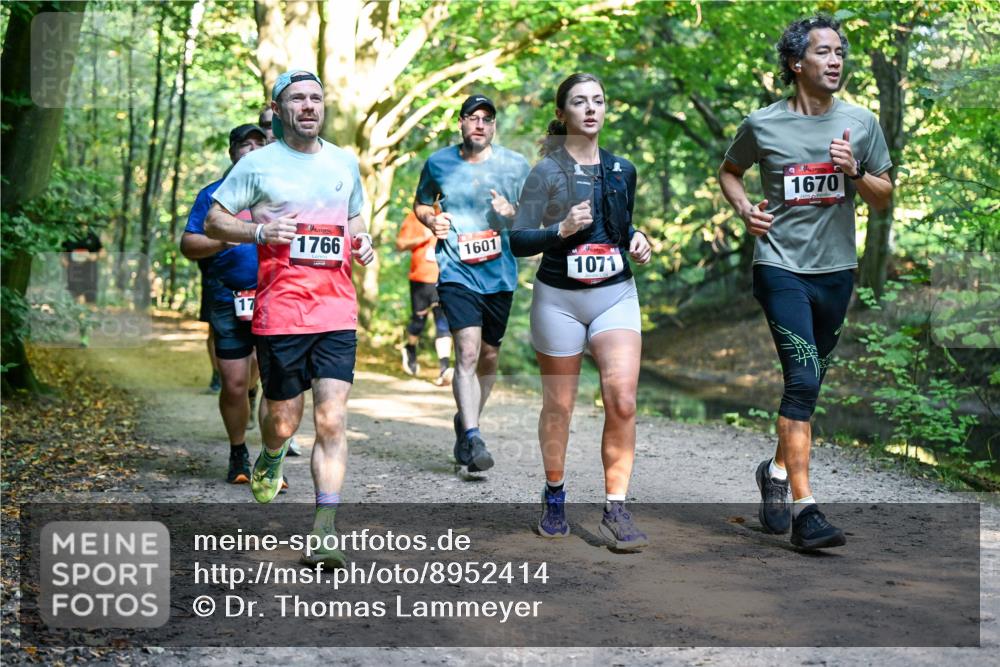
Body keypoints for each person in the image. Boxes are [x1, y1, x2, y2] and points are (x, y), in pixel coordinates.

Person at [718, 15, 893, 550]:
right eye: (824, 52)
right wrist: (745, 208)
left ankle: (773, 472)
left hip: (836, 271)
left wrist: (854, 172)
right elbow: (730, 171)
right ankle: (806, 509)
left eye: (840, 51)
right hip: (779, 266)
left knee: (809, 385)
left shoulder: (861, 122)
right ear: (797, 63)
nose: (836, 60)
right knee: (800, 379)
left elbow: (884, 195)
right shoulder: (763, 123)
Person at [206, 70, 376, 568]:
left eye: (316, 98)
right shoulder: (258, 165)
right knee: (283, 420)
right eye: (297, 98)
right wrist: (259, 233)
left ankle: (324, 530)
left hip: (336, 309)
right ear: (278, 109)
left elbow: (354, 220)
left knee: (331, 419)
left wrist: (361, 240)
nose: (309, 106)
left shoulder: (345, 162)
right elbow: (216, 220)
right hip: (281, 310)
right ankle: (273, 451)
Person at [511, 73, 653, 551]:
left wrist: (637, 239)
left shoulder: (623, 170)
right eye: (579, 102)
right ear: (564, 113)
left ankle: (616, 507)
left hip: (615, 294)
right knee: (561, 405)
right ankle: (555, 496)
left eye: (597, 100)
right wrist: (560, 230)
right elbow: (517, 241)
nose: (590, 108)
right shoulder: (545, 173)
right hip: (560, 300)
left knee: (623, 399)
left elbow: (622, 226)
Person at [413, 94, 530, 474]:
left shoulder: (515, 165)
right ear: (461, 123)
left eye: (487, 119)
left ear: (494, 126)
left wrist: (512, 213)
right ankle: (475, 436)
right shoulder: (438, 163)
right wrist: (432, 222)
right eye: (472, 117)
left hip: (499, 274)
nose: (479, 124)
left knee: (489, 357)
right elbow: (421, 204)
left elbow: (536, 216)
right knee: (466, 352)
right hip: (456, 270)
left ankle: (465, 422)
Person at [181, 124, 271, 485]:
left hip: (276, 296)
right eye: (242, 145)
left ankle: (271, 457)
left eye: (258, 144)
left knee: (276, 381)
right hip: (227, 297)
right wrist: (223, 241)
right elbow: (189, 245)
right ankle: (238, 450)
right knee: (233, 384)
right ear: (232, 152)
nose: (250, 150)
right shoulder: (212, 195)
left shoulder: (280, 192)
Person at [395, 210, 453, 386]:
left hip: (445, 276)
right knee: (418, 320)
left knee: (443, 321)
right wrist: (424, 236)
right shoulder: (416, 217)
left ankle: (444, 369)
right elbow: (400, 244)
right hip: (420, 278)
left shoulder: (452, 215)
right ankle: (410, 348)